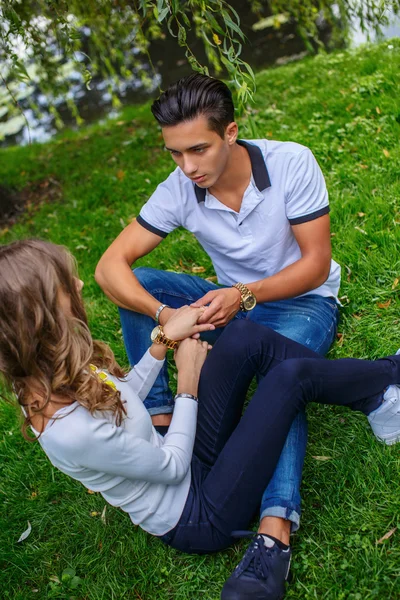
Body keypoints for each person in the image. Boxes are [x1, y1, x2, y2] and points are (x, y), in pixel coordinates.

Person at [1, 240, 399, 600]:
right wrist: (186, 382)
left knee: (244, 338)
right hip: (199, 512)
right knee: (286, 379)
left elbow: (121, 400)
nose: (81, 284)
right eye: (66, 283)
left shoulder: (46, 371)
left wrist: (163, 343)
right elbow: (172, 469)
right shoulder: (67, 431)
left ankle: (373, 390)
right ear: (41, 315)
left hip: (188, 460)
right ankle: (385, 377)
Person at [95, 73, 341, 591]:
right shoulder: (181, 186)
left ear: (231, 132)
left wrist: (245, 295)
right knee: (142, 283)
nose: (188, 167)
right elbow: (110, 267)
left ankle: (274, 532)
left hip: (301, 303)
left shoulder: (291, 162)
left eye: (199, 150)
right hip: (232, 305)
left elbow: (316, 265)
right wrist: (165, 316)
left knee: (283, 375)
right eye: (175, 154)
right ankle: (161, 423)